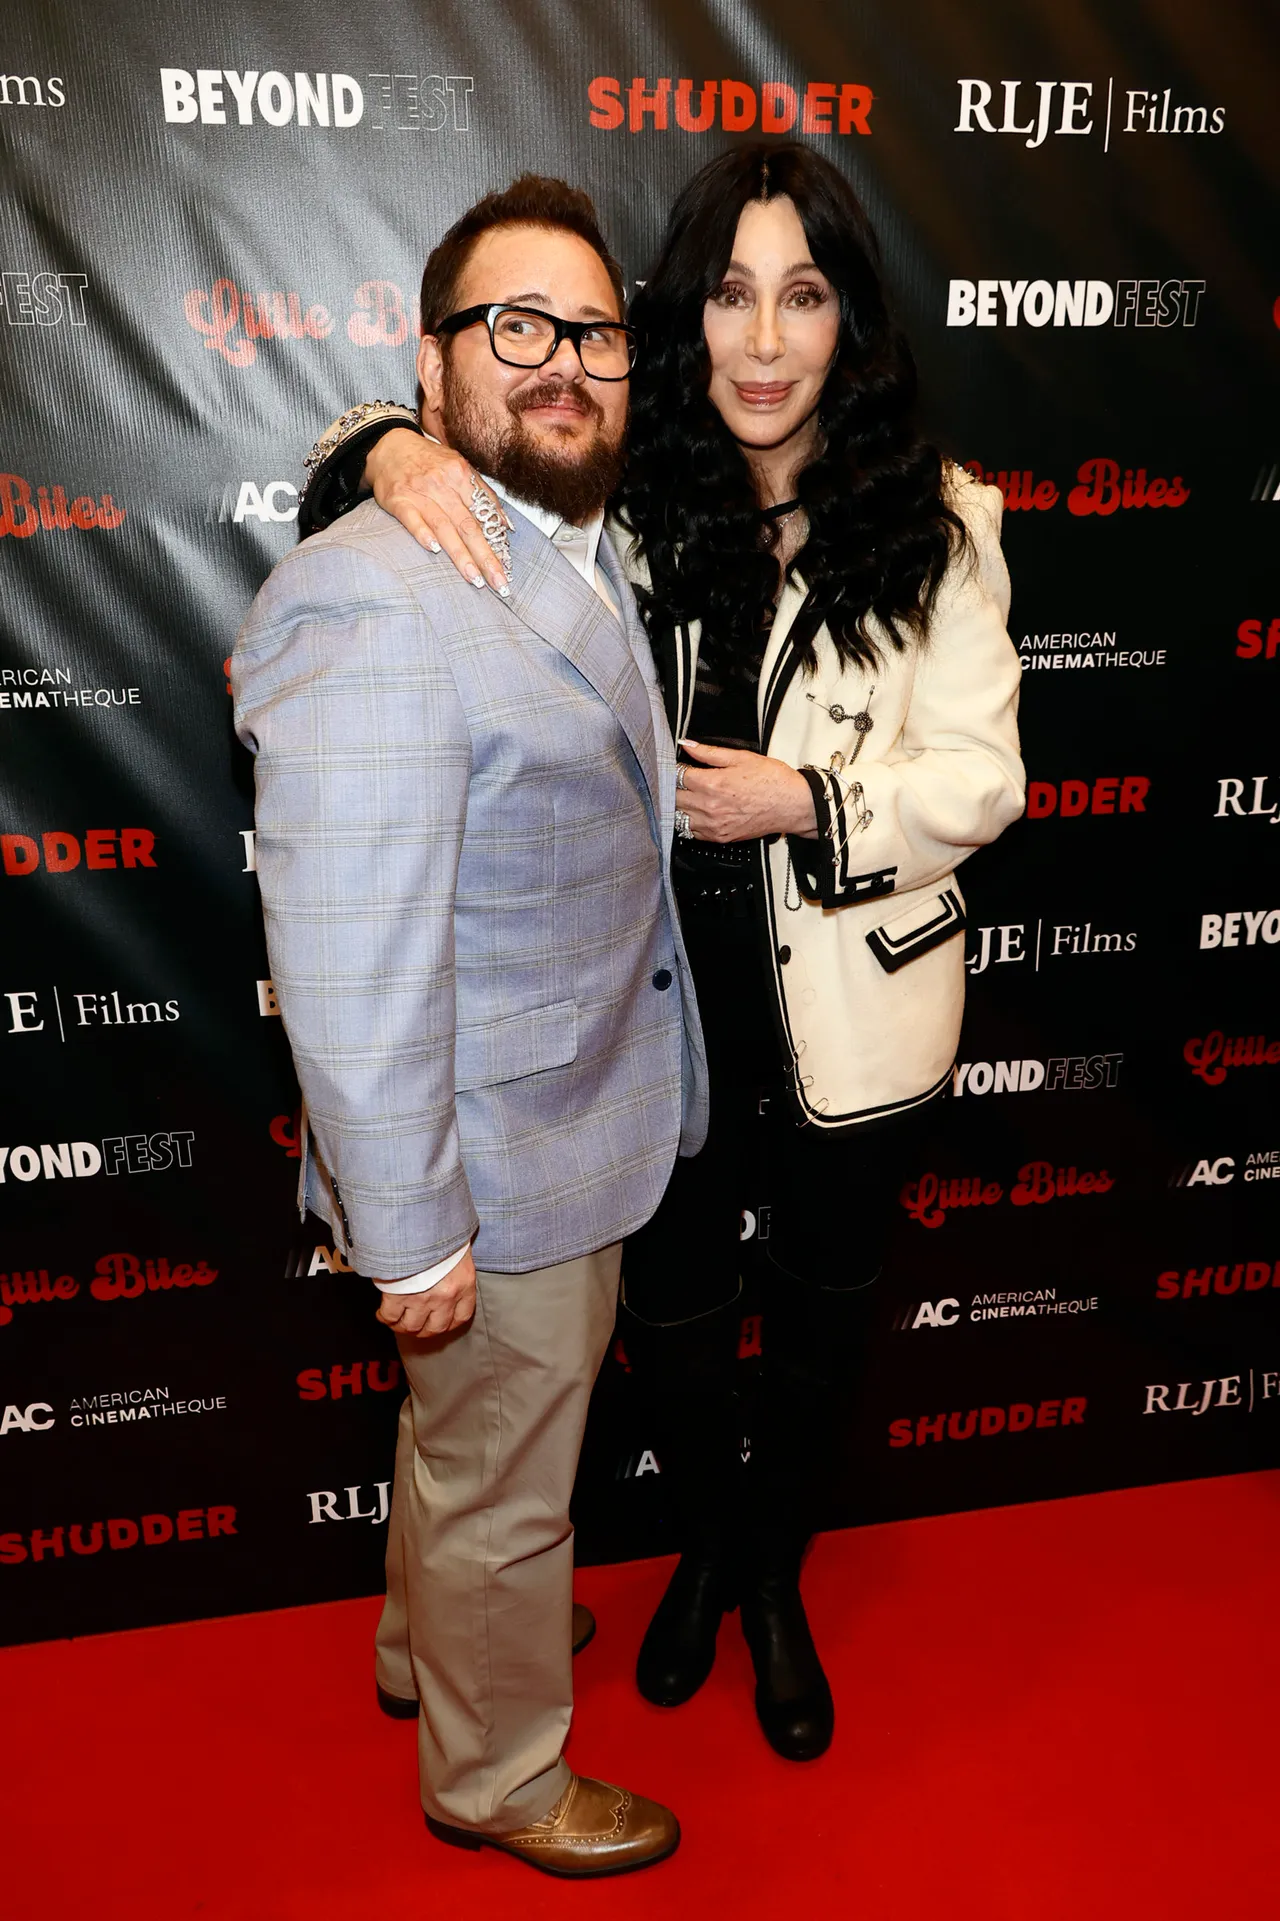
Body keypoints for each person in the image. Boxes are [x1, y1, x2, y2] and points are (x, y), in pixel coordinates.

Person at [299, 142, 1024, 1766]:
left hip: (854, 1008)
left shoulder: (941, 519)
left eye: (807, 295)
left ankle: (772, 1581)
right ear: (680, 319)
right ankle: (703, 1551)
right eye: (729, 296)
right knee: (682, 1322)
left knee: (824, 1325)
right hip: (659, 1018)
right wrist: (390, 452)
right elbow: (407, 449)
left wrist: (806, 799)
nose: (765, 340)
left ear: (853, 322)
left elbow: (986, 779)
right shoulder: (617, 493)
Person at [233, 175, 707, 1877]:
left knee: (471, 1456)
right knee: (512, 1484)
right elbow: (351, 955)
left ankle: (423, 1649)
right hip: (487, 1168)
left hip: (569, 1119)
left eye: (591, 331)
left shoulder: (575, 530)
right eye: (515, 328)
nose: (563, 360)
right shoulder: (378, 596)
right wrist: (413, 1226)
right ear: (432, 372)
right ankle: (495, 1778)